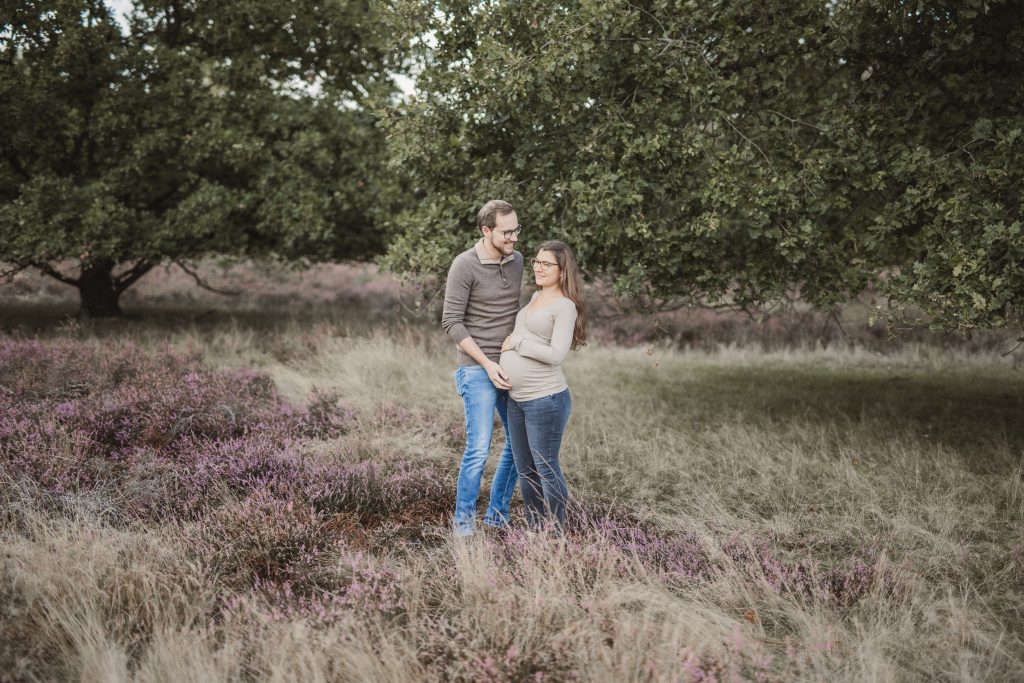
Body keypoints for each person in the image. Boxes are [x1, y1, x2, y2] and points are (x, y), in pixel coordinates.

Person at [441, 199, 525, 536]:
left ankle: (496, 515)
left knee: (520, 442)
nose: (514, 238)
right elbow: (452, 323)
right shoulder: (464, 265)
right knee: (478, 447)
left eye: (517, 230)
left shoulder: (518, 261)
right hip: (477, 367)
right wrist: (488, 364)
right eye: (506, 232)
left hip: (512, 366)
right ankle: (463, 524)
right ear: (486, 230)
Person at [499, 241, 587, 532]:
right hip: (517, 399)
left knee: (546, 467)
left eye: (546, 264)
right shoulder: (536, 297)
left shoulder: (565, 306)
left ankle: (558, 531)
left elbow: (556, 354)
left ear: (562, 271)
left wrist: (518, 343)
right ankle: (537, 531)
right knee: (526, 471)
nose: (538, 267)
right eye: (537, 261)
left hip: (545, 399)